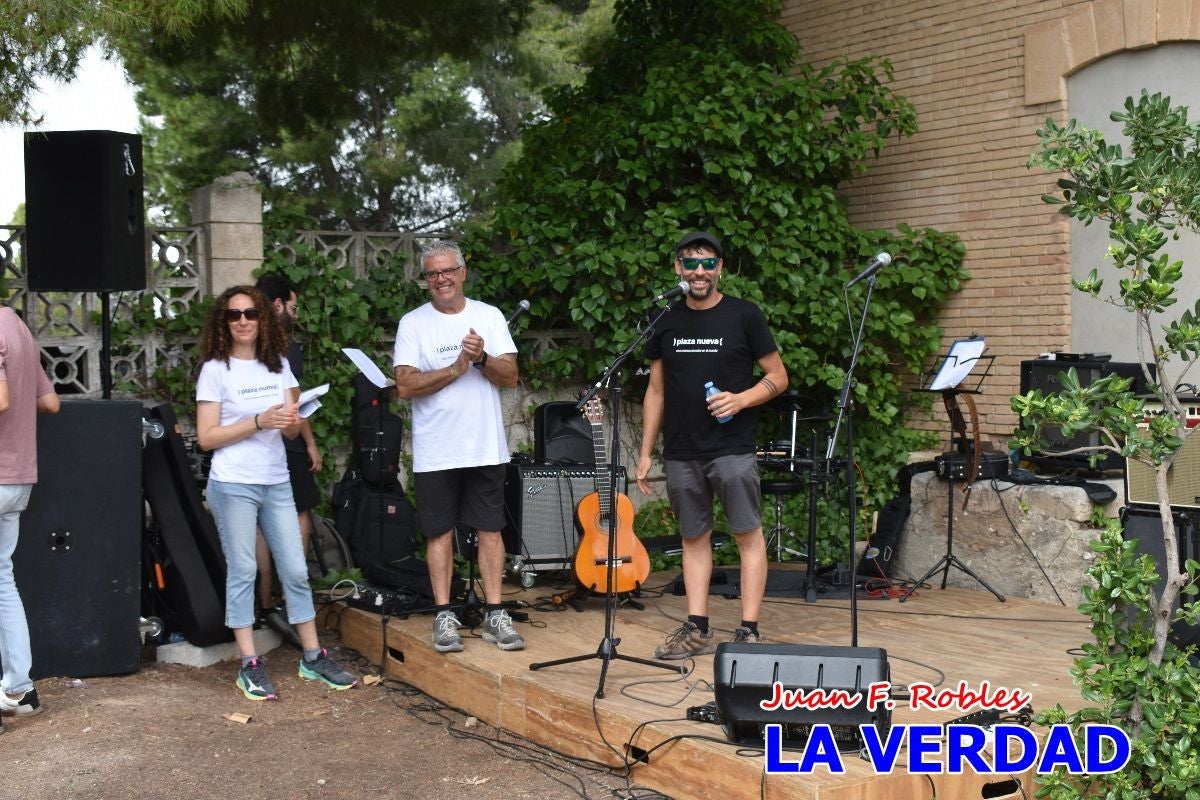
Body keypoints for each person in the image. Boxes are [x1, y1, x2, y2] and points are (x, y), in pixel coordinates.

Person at [196, 286, 357, 700]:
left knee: (296, 569)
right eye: (235, 315)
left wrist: (293, 417)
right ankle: (249, 663)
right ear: (224, 322)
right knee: (244, 570)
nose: (244, 320)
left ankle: (312, 655)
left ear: (263, 319)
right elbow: (206, 438)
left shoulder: (279, 366)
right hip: (233, 482)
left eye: (251, 313)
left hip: (276, 479)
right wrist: (258, 420)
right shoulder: (216, 369)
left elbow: (287, 428)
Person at [635, 231, 788, 659]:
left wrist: (741, 399)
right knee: (693, 538)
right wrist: (647, 452)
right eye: (690, 263)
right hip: (682, 449)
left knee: (747, 534)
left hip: (732, 448)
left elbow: (778, 376)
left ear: (720, 268)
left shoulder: (744, 315)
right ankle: (697, 627)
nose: (699, 271)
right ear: (677, 269)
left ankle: (749, 630)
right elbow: (656, 391)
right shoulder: (664, 319)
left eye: (707, 263)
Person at [393, 240, 524, 653]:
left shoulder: (489, 316)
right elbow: (405, 384)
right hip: (437, 450)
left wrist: (482, 357)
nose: (441, 279)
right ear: (426, 280)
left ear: (463, 272)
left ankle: (495, 614)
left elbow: (511, 376)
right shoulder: (413, 323)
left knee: (491, 530)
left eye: (448, 271)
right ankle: (444, 614)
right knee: (438, 533)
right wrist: (455, 368)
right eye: (433, 274)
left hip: (484, 446)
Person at [0, 303, 60, 730]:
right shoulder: (16, 326)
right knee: (3, 580)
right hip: (18, 475)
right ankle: (19, 686)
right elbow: (50, 402)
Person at [253, 275, 323, 625]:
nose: (295, 315)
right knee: (301, 515)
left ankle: (264, 600)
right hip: (284, 442)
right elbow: (294, 407)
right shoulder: (284, 347)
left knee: (261, 524)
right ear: (277, 304)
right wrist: (307, 441)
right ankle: (292, 597)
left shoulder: (244, 341)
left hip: (250, 441)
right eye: (292, 307)